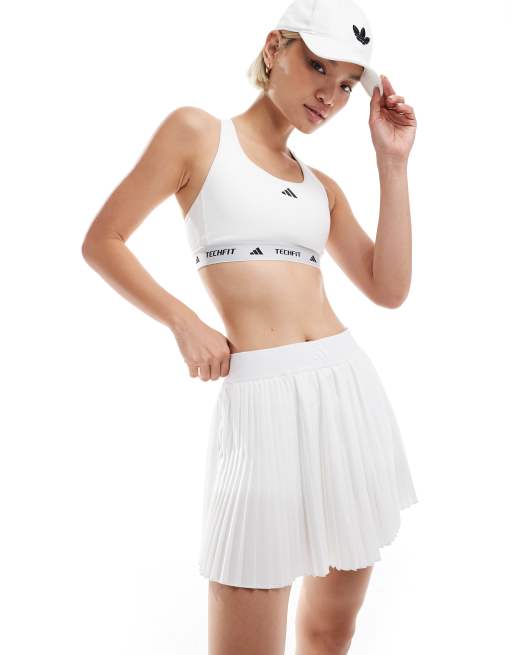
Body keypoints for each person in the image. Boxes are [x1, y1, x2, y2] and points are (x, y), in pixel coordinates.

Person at [82, 0, 419, 652]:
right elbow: (103, 240)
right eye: (317, 66)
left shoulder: (321, 187)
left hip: (345, 394)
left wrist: (393, 163)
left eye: (347, 83)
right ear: (274, 48)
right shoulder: (196, 133)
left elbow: (389, 288)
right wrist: (183, 321)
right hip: (260, 403)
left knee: (330, 632)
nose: (330, 95)